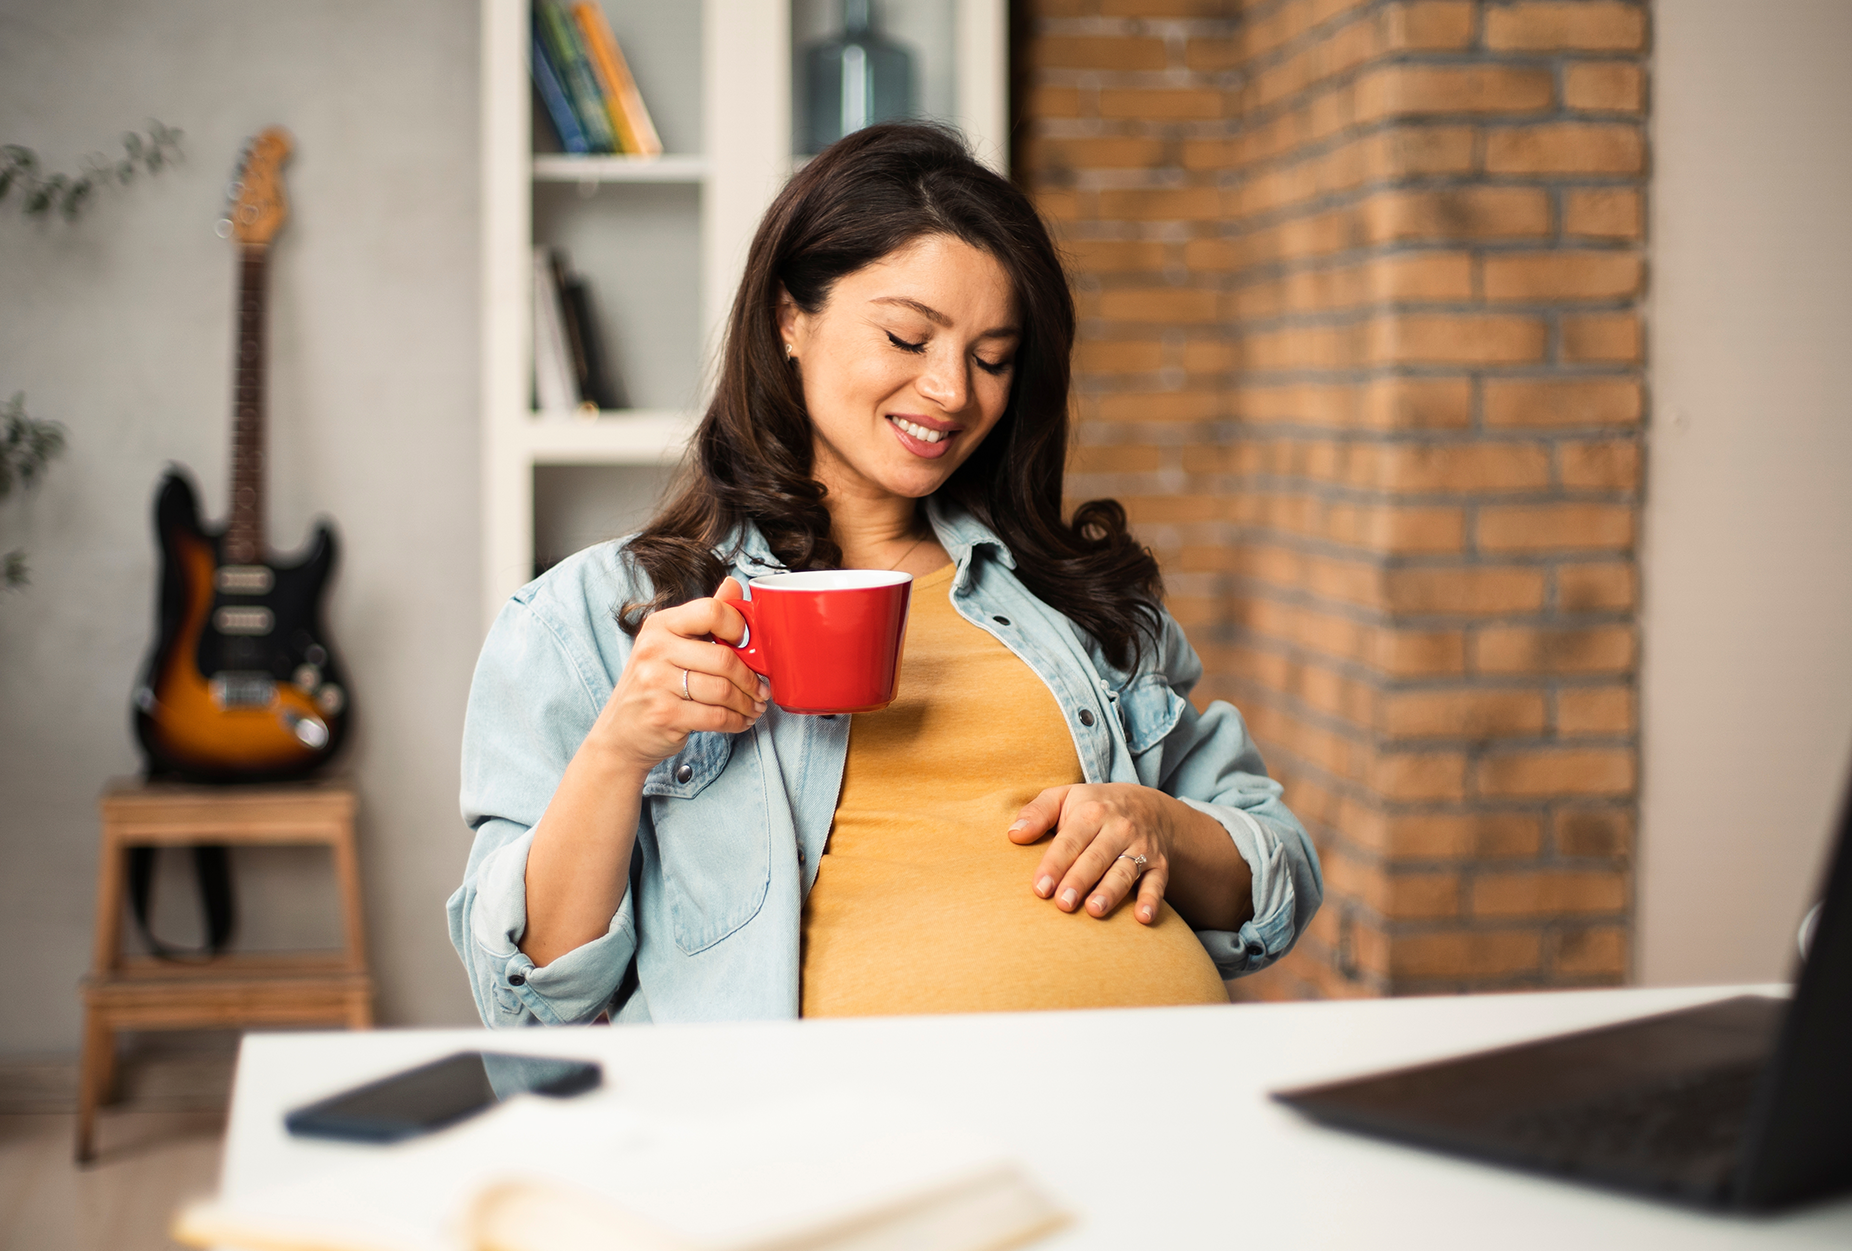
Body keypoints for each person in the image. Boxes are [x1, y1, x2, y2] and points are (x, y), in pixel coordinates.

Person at [448, 123, 1320, 1026]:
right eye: (909, 337)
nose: (952, 391)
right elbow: (530, 994)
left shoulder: (1076, 597)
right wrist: (620, 750)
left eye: (992, 358)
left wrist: (1164, 826)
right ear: (791, 317)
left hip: (1161, 1091)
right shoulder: (598, 618)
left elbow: (1279, 869)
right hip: (832, 1135)